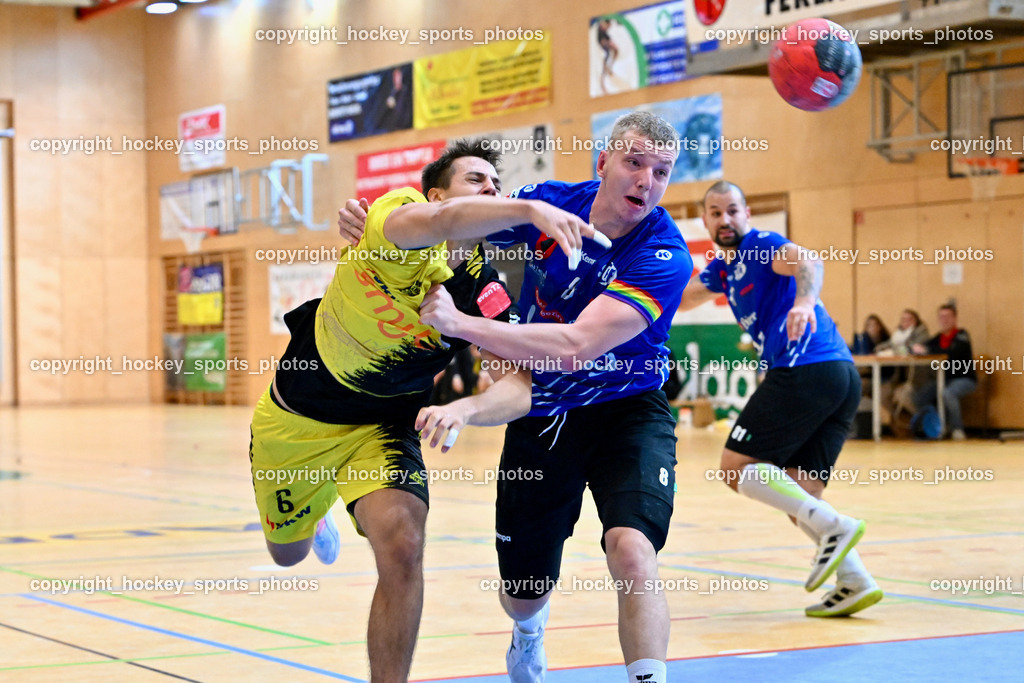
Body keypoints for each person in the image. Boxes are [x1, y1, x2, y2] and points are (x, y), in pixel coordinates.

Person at [341, 111, 689, 683]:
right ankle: (528, 630)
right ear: (603, 162)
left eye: (661, 171)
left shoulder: (663, 255)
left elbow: (575, 347)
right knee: (524, 592)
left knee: (631, 551)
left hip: (627, 411)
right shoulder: (550, 203)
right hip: (544, 411)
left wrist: (465, 325)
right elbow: (455, 221)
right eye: (634, 162)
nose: (646, 181)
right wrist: (378, 223)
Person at [250, 139, 605, 682]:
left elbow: (519, 387)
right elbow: (446, 219)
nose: (490, 190)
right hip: (298, 420)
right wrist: (530, 209)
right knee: (287, 556)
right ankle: (319, 506)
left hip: (383, 427)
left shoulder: (484, 288)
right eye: (475, 180)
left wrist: (468, 408)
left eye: (496, 184)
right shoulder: (393, 220)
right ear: (433, 194)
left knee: (405, 544)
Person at [676, 181, 883, 618]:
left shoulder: (760, 245)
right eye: (715, 213)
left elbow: (808, 260)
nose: (724, 220)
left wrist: (805, 302)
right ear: (706, 221)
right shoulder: (723, 269)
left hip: (806, 367)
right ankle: (855, 580)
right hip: (837, 377)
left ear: (746, 213)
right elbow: (683, 298)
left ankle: (836, 526)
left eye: (732, 210)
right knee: (799, 492)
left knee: (736, 467)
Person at [911, 303, 977, 441]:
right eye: (941, 317)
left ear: (955, 319)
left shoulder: (962, 336)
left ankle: (957, 429)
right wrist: (917, 348)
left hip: (964, 379)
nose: (944, 320)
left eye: (947, 317)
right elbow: (926, 347)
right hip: (944, 379)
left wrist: (928, 350)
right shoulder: (938, 338)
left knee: (948, 393)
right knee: (920, 396)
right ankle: (937, 424)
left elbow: (952, 353)